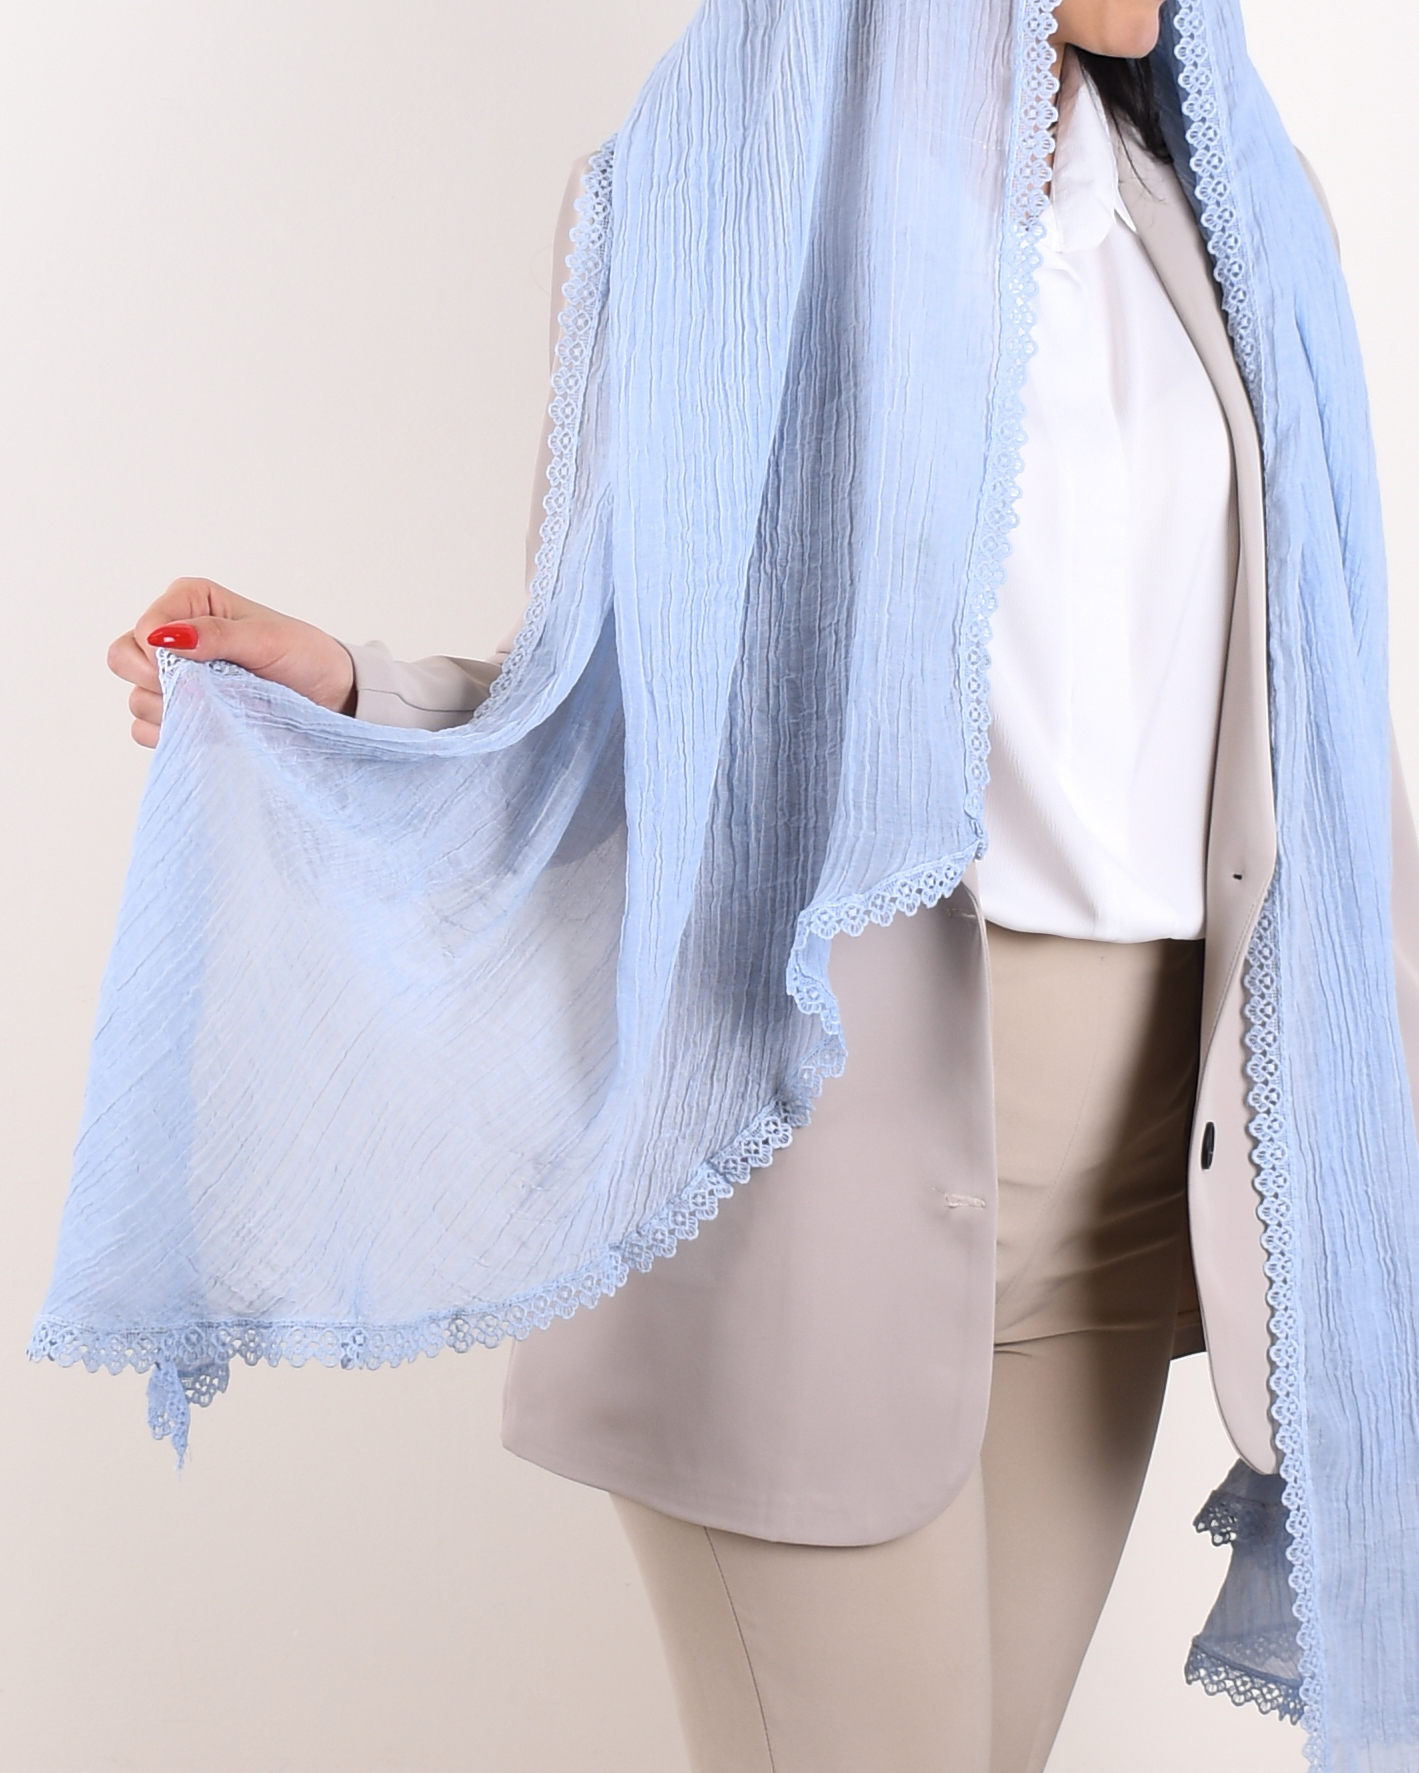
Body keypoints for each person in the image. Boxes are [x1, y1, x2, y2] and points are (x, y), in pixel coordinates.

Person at [81, 1, 1419, 1769]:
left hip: (1129, 1201)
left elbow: (1323, 758)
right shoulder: (720, 189)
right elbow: (608, 713)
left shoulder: (1245, 217)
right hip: (812, 1153)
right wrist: (350, 696)